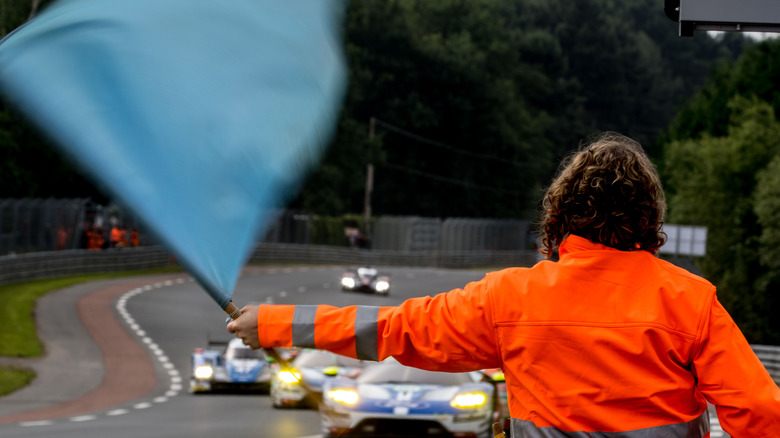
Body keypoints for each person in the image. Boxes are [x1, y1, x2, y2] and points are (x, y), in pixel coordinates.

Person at [227, 132, 780, 436]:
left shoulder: (509, 297)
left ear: (560, 215)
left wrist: (273, 323)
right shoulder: (691, 302)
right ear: (648, 219)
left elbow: (394, 330)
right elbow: (761, 414)